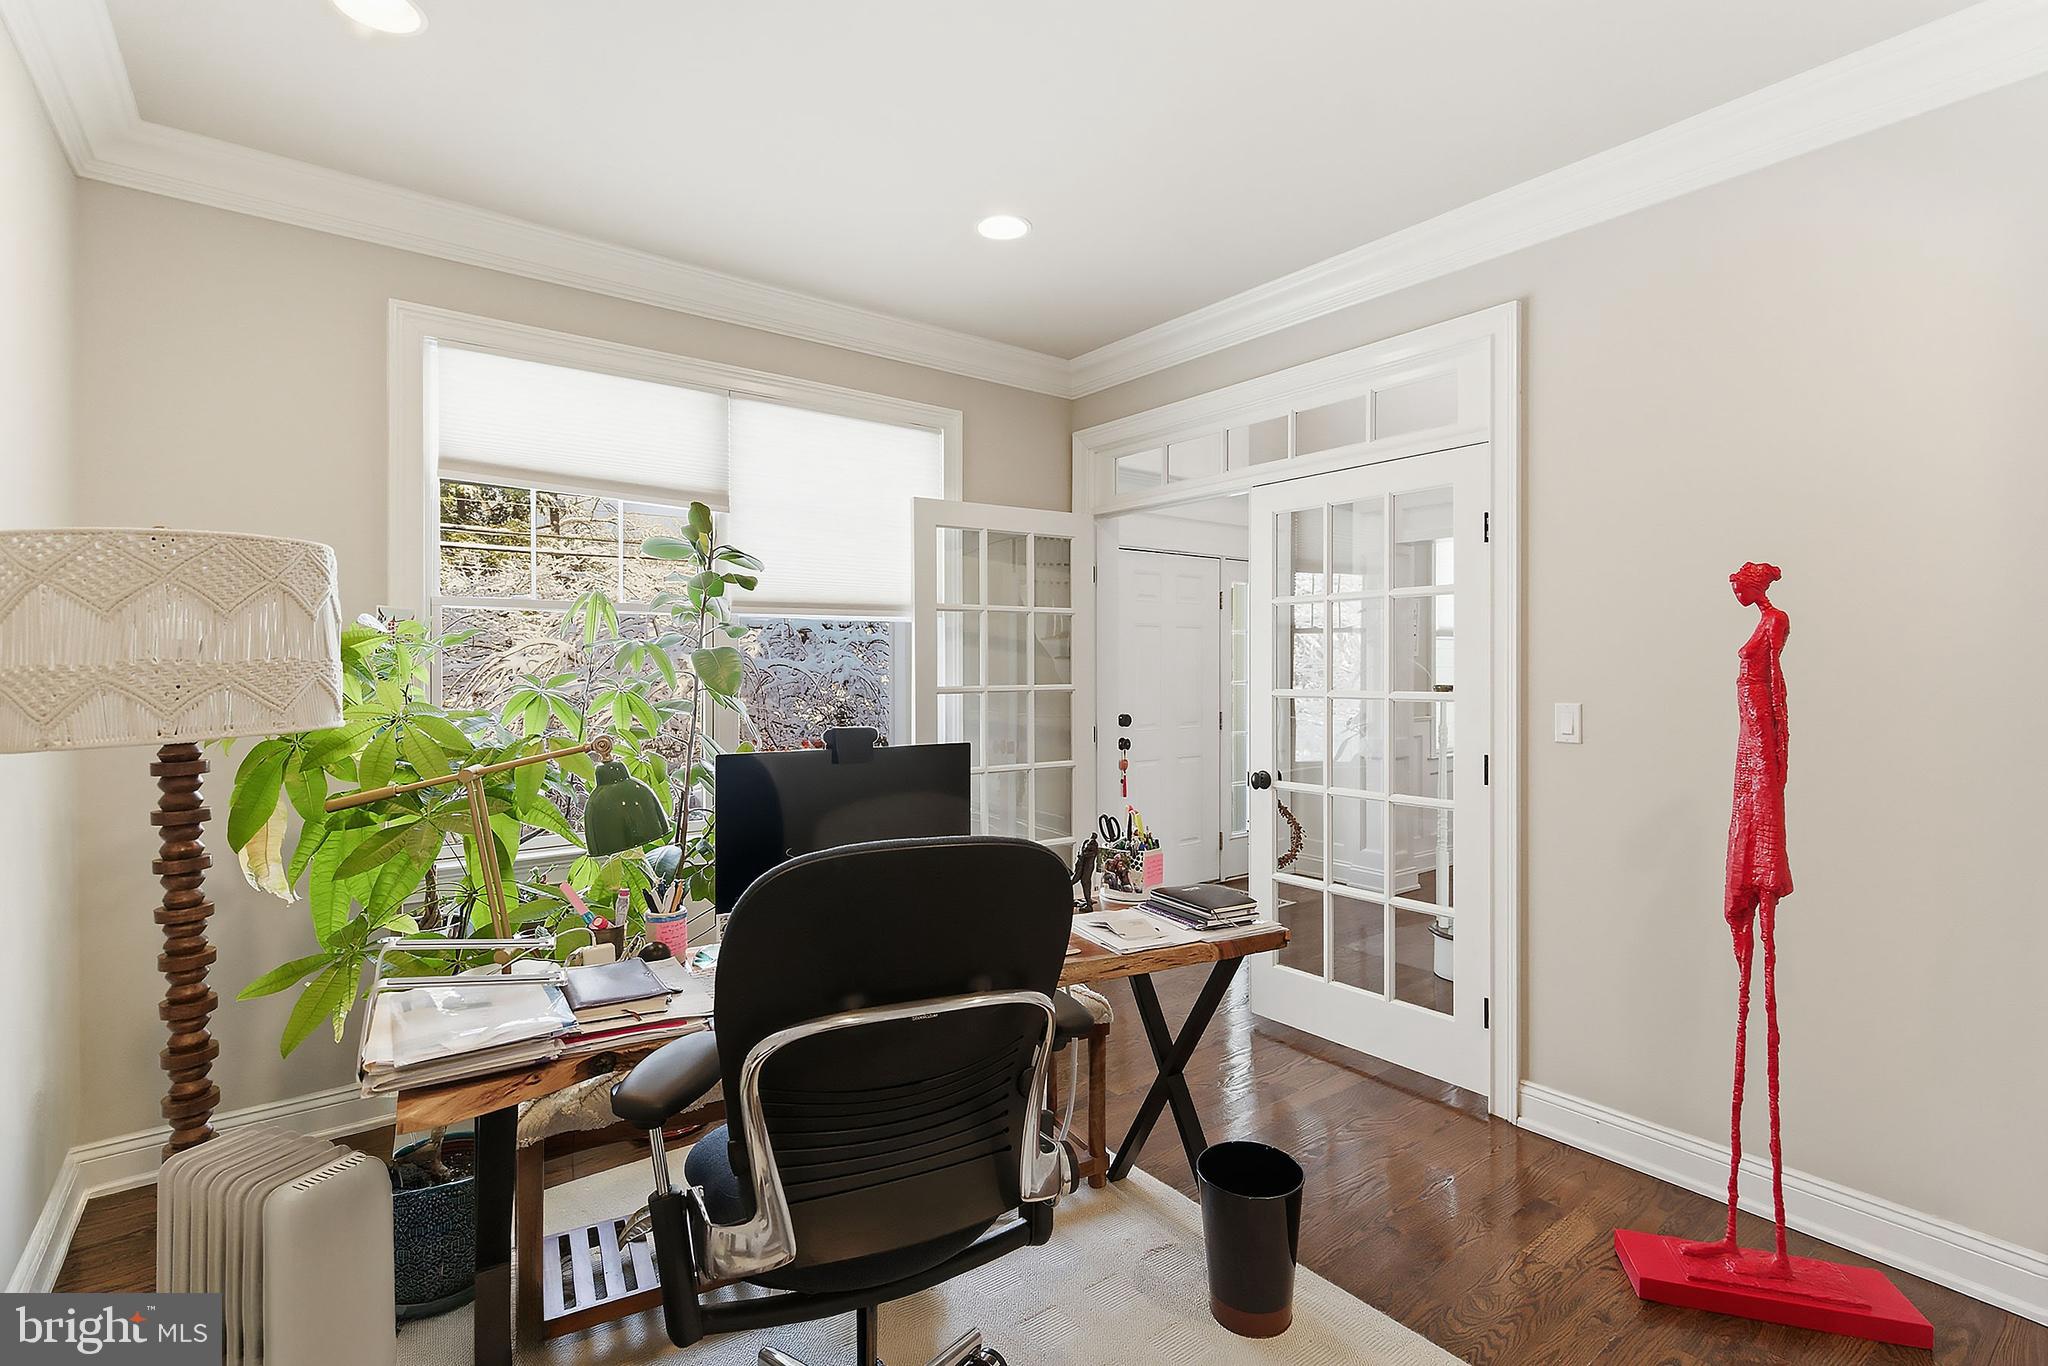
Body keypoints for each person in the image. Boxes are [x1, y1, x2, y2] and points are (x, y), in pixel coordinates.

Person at [1682, 561, 1794, 1275]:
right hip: (1744, 770)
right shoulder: (1759, 627)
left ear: (1757, 587)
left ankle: (1776, 1238)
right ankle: (1732, 1219)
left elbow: (1779, 712)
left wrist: (1771, 801)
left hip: (1761, 774)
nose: (1733, 592)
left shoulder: (1776, 625)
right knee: (1746, 995)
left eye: (1737, 584)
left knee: (1766, 988)